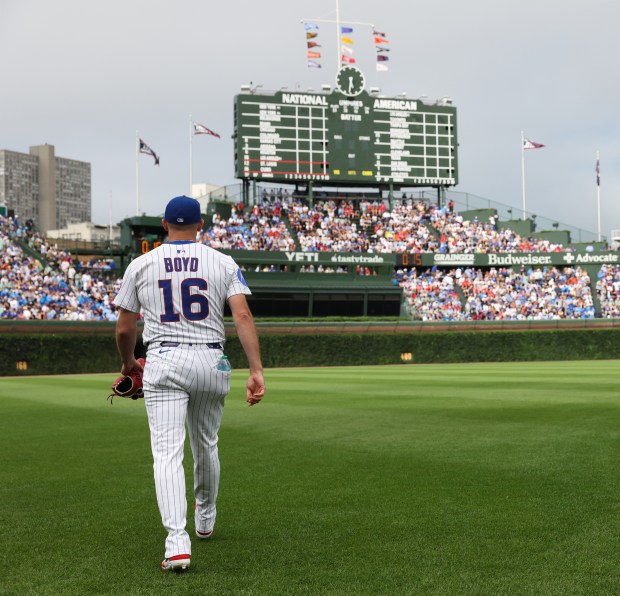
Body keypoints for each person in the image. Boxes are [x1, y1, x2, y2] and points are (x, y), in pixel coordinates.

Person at [113, 195, 265, 572]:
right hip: (212, 358)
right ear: (201, 226)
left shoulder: (141, 264)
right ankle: (207, 515)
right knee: (206, 444)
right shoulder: (223, 261)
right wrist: (256, 369)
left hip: (164, 359)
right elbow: (242, 316)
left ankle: (177, 543)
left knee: (167, 453)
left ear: (164, 225)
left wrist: (129, 362)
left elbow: (124, 327)